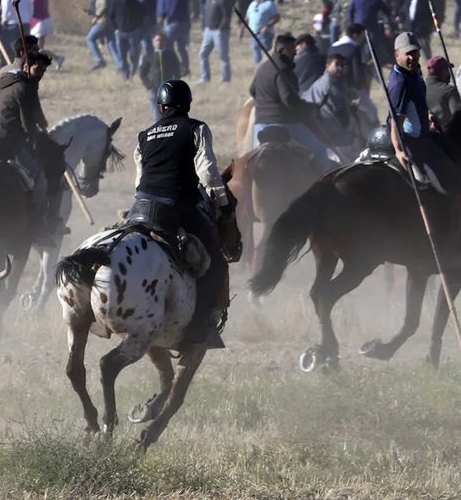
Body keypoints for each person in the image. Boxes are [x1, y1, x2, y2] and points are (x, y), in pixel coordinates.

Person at [132, 79, 232, 348]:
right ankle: (201, 327)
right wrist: (223, 204)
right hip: (178, 207)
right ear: (188, 104)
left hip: (141, 207)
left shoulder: (144, 136)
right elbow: (209, 174)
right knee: (217, 263)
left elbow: (139, 180)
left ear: (161, 107)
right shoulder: (196, 129)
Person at [387, 31, 461, 271]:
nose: (412, 57)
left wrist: (426, 116)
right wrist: (398, 149)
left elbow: (416, 103)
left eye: (415, 53)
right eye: (408, 54)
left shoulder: (415, 73)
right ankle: (449, 250)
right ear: (397, 55)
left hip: (424, 134)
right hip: (414, 142)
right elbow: (396, 120)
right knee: (459, 185)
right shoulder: (399, 82)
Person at [0, 47, 61, 243]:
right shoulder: (24, 87)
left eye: (43, 71)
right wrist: (41, 140)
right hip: (7, 142)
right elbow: (27, 125)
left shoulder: (0, 81)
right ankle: (37, 226)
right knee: (40, 179)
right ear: (25, 66)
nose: (40, 75)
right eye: (37, 70)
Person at [249, 33, 333, 173]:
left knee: (253, 158)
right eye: (291, 49)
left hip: (260, 124)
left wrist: (267, 102)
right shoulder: (284, 70)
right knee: (320, 150)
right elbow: (289, 100)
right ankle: (324, 185)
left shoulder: (263, 67)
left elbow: (252, 91)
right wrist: (310, 107)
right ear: (282, 50)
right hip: (284, 123)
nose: (295, 52)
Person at [138, 33, 181, 121]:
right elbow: (142, 74)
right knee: (156, 114)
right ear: (153, 42)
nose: (159, 42)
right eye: (157, 40)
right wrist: (148, 85)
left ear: (165, 42)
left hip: (168, 89)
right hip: (154, 88)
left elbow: (177, 71)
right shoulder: (148, 56)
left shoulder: (171, 55)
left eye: (161, 40)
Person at [198, 0, 230, 84]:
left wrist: (221, 28)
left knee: (222, 55)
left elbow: (227, 15)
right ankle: (205, 78)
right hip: (208, 31)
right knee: (202, 54)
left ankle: (226, 79)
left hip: (220, 32)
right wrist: (205, 28)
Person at [241, 0, 280, 67]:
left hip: (265, 34)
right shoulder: (252, 4)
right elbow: (247, 18)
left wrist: (267, 26)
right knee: (256, 54)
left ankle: (268, 69)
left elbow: (277, 17)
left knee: (265, 54)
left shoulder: (269, 4)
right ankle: (258, 71)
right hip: (254, 34)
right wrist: (241, 29)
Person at [424, 56, 461, 129]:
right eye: (447, 70)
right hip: (447, 137)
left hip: (426, 137)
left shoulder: (420, 89)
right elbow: (459, 119)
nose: (449, 74)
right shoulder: (449, 91)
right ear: (443, 72)